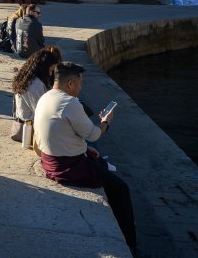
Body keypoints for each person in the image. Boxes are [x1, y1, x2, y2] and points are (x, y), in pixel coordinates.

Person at [33, 62, 136, 248]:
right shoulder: (69, 102)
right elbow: (94, 134)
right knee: (121, 189)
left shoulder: (46, 96)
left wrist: (86, 148)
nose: (81, 87)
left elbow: (62, 132)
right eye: (80, 83)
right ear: (70, 83)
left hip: (49, 159)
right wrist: (106, 122)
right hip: (69, 167)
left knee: (99, 162)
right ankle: (130, 243)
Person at [12, 46, 62, 124]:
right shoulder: (35, 84)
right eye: (51, 70)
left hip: (26, 119)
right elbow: (40, 111)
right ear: (44, 67)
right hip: (31, 124)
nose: (51, 73)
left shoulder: (28, 78)